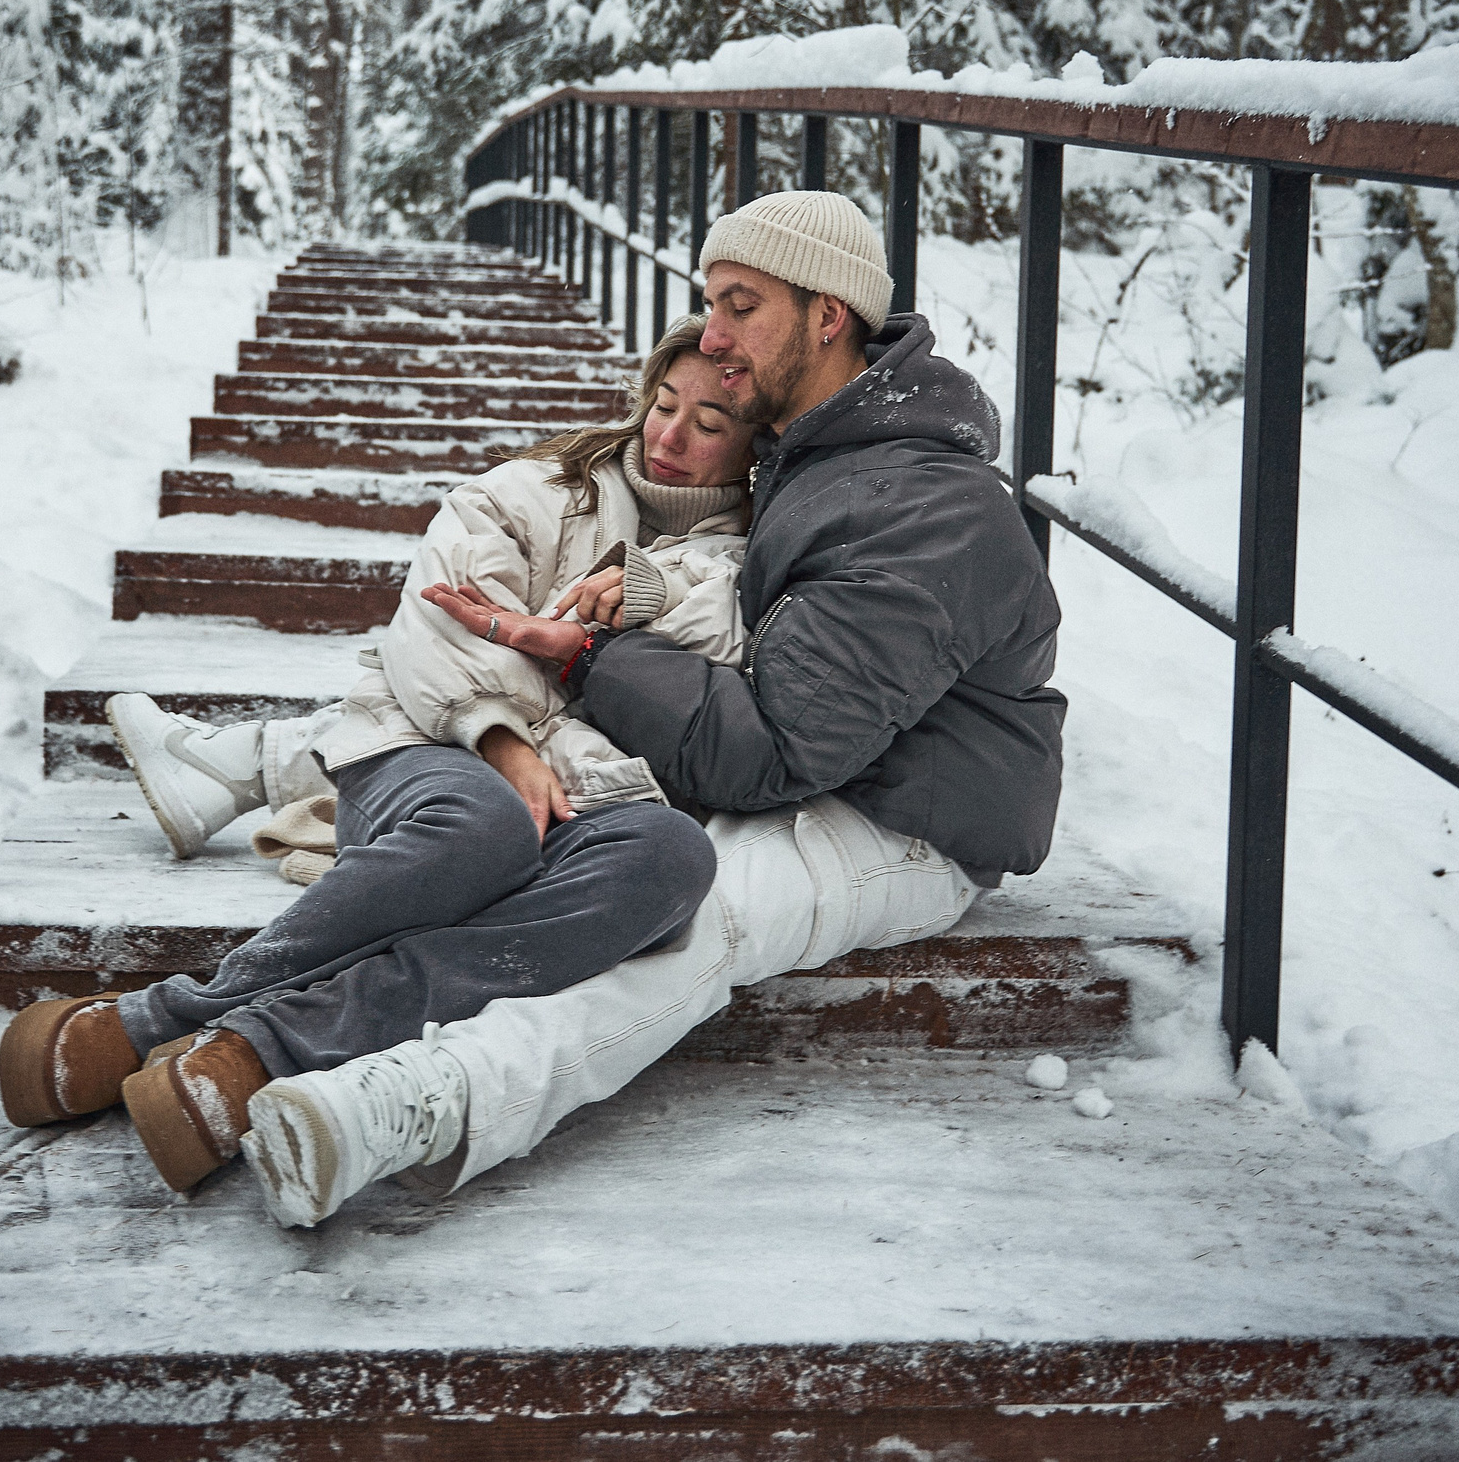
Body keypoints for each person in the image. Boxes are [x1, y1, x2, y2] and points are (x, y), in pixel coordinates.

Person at [220, 190, 1067, 1228]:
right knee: (566, 841)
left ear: (828, 314)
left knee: (702, 919)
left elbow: (773, 749)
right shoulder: (811, 451)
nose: (711, 337)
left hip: (906, 816)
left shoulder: (921, 505)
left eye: (740, 305)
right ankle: (263, 957)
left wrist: (587, 654)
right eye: (709, 303)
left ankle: (426, 1101)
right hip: (810, 748)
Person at [0, 322, 767, 1212]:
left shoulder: (743, 562)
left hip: (588, 798)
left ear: (754, 444)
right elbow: (436, 621)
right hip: (423, 746)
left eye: (709, 422)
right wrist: (501, 738)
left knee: (673, 857)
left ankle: (250, 1048)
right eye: (663, 405)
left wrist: (648, 593)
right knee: (485, 823)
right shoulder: (537, 489)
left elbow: (731, 652)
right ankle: (176, 1023)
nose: (669, 436)